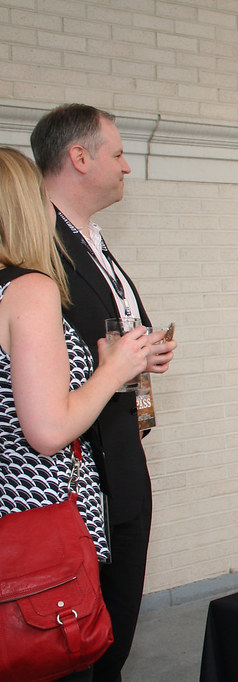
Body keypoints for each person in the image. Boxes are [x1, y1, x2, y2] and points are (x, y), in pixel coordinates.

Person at [31, 104, 179, 680]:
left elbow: (102, 338)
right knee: (74, 645)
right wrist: (113, 369)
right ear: (79, 157)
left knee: (110, 637)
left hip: (120, 459)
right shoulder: (35, 249)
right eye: (118, 154)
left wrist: (142, 354)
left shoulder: (93, 241)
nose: (126, 168)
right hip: (68, 480)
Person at [0, 148, 148, 594]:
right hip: (36, 521)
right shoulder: (27, 288)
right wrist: (112, 370)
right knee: (72, 655)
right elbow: (47, 430)